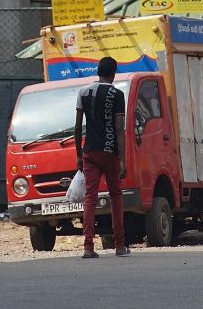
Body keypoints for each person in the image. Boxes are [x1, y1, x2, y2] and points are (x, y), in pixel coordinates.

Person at [74, 56, 130, 258]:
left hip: (89, 152)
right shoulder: (117, 94)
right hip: (109, 152)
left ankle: (88, 247)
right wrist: (122, 159)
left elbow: (78, 126)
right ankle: (120, 245)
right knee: (115, 196)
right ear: (113, 73)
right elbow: (119, 128)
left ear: (98, 71)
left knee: (90, 197)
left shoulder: (83, 92)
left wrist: (78, 155)